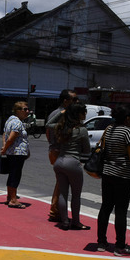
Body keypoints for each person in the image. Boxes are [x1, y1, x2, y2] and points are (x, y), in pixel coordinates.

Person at [96, 105, 130, 256]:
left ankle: (101, 242)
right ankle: (120, 246)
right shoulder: (128, 132)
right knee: (121, 210)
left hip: (108, 173)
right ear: (127, 118)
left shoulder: (109, 129)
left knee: (106, 207)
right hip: (123, 175)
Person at [53, 104, 91, 230]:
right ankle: (76, 222)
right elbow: (87, 150)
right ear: (78, 114)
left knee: (63, 194)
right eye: (83, 112)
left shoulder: (61, 127)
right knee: (75, 195)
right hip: (73, 163)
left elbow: (48, 124)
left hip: (59, 162)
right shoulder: (81, 130)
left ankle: (64, 222)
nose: (85, 114)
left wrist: (61, 113)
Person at [45, 90, 78, 222]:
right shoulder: (61, 114)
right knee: (62, 183)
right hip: (59, 151)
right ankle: (55, 211)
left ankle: (56, 210)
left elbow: (48, 133)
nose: (76, 102)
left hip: (55, 150)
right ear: (66, 101)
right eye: (74, 99)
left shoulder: (55, 113)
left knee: (60, 183)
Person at [0, 101, 30, 208]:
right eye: (25, 109)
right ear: (18, 111)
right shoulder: (17, 122)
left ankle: (10, 197)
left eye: (28, 109)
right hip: (17, 152)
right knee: (15, 175)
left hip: (12, 152)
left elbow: (5, 135)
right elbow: (12, 137)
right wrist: (5, 147)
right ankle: (13, 199)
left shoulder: (9, 120)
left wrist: (4, 147)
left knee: (12, 174)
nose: (28, 111)